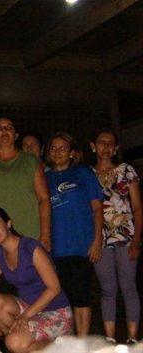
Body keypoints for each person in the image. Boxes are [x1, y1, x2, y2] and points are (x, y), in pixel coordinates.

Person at [0, 206, 72, 353]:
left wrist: (25, 316)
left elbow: (54, 288)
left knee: (13, 342)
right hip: (28, 307)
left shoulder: (30, 248)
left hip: (55, 312)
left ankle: (63, 347)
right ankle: (29, 345)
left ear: (8, 224)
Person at [45, 132, 103, 337]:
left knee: (81, 297)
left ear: (71, 152)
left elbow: (97, 208)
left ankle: (82, 342)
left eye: (63, 148)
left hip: (81, 246)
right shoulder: (44, 177)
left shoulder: (83, 172)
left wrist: (97, 241)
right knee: (62, 299)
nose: (58, 152)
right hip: (55, 249)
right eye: (53, 148)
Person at [91, 128, 141, 344]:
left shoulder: (126, 170)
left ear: (116, 148)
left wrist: (137, 240)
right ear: (93, 146)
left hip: (126, 237)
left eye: (110, 143)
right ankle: (110, 338)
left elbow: (137, 207)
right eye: (101, 142)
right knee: (107, 289)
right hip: (99, 240)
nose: (106, 147)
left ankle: (132, 337)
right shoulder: (87, 174)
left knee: (128, 287)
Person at [0, 118, 50, 252]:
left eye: (9, 128)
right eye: (0, 128)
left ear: (15, 135)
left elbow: (43, 198)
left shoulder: (31, 161)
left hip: (28, 236)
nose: (4, 130)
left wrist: (45, 235)